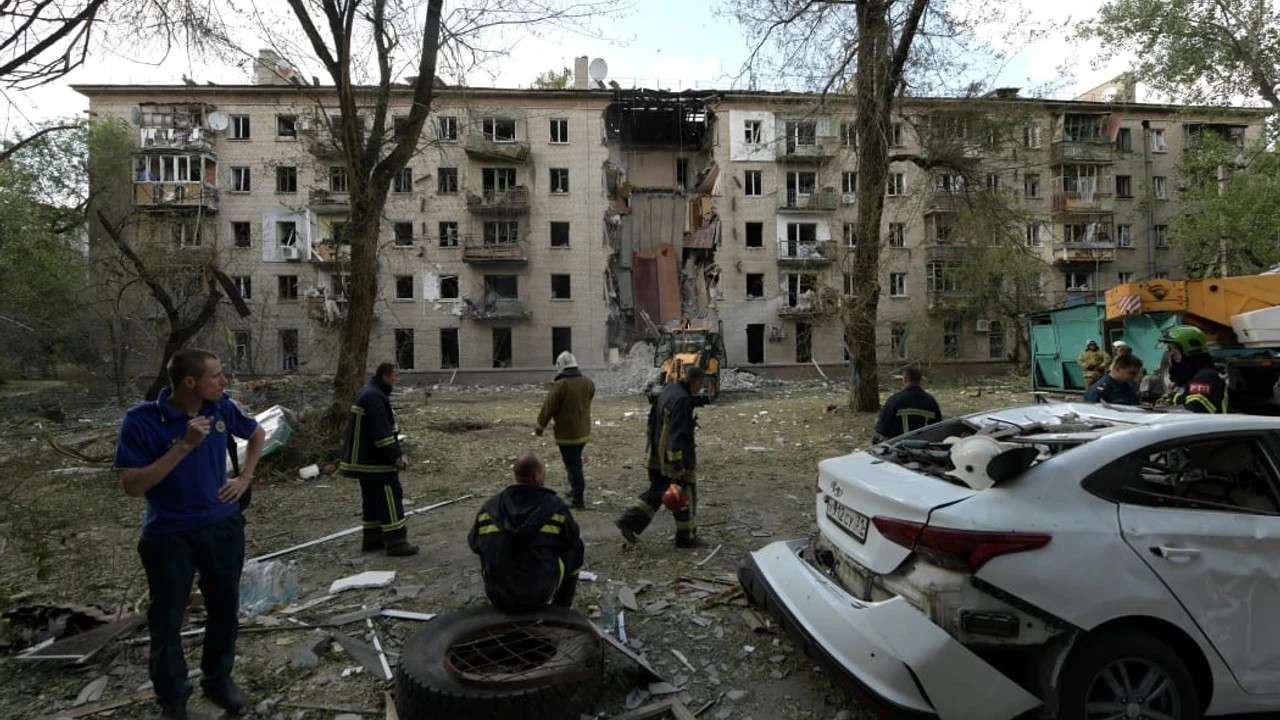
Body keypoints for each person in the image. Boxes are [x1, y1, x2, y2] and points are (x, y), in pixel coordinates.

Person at [114, 349, 265, 720]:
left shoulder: (221, 408)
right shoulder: (141, 420)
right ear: (190, 382)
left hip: (221, 525)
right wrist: (183, 446)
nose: (224, 381)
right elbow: (133, 485)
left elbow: (257, 432)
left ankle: (218, 679)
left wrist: (244, 478)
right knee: (166, 617)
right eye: (216, 376)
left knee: (224, 605)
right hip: (169, 533)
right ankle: (173, 697)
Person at [467, 452, 584, 612]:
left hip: (499, 595)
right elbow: (571, 543)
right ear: (536, 476)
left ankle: (501, 591)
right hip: (538, 594)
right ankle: (561, 608)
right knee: (576, 548)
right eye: (544, 472)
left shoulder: (490, 508)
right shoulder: (555, 509)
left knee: (488, 546)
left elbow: (474, 544)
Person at [616, 365, 707, 549]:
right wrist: (678, 463)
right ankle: (686, 537)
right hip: (672, 459)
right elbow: (677, 433)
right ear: (695, 381)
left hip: (657, 453)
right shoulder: (682, 399)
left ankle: (629, 521)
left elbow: (654, 419)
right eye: (701, 384)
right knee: (685, 493)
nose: (701, 389)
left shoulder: (670, 389)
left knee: (658, 492)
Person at [339, 363, 418, 556]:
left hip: (362, 460)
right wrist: (394, 457)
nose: (396, 380)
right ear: (384, 376)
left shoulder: (369, 393)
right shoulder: (375, 397)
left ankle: (373, 539)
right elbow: (381, 432)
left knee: (372, 500)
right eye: (394, 376)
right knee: (390, 496)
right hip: (374, 461)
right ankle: (396, 541)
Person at [535, 351, 596, 509]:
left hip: (567, 434)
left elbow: (549, 407)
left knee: (573, 465)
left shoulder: (561, 385)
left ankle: (578, 498)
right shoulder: (588, 383)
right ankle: (574, 489)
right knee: (574, 462)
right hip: (583, 432)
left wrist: (540, 427)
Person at [1160, 325, 1228, 413]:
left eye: (1174, 350)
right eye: (1170, 350)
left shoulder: (1205, 377)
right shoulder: (1191, 377)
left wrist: (1175, 397)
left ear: (1188, 351)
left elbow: (1196, 406)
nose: (1172, 355)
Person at [874, 367, 943, 440]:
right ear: (919, 380)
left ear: (905, 379)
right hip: (923, 448)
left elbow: (882, 430)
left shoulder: (894, 401)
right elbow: (938, 428)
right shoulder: (931, 402)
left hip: (898, 448)